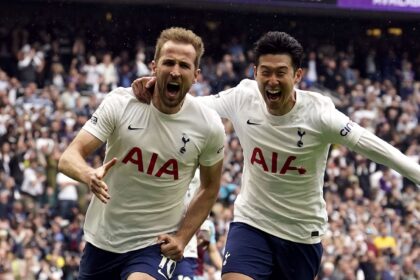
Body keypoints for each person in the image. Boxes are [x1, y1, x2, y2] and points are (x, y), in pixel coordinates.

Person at [132, 31, 420, 279]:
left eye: (280, 72)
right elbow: (191, 106)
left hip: (300, 234)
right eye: (265, 71)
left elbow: (375, 147)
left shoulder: (320, 115)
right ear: (254, 72)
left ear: (297, 75)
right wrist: (153, 89)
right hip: (251, 223)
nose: (272, 80)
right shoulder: (242, 98)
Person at [58, 27, 225, 280]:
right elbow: (69, 156)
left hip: (153, 244)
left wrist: (183, 237)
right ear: (154, 67)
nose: (175, 71)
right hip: (102, 239)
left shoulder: (208, 125)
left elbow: (210, 187)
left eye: (184, 65)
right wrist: (88, 174)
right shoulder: (121, 103)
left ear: (196, 75)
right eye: (168, 62)